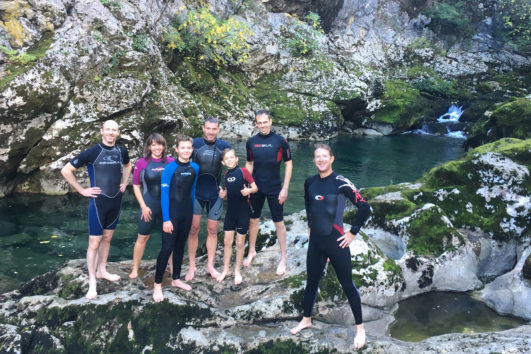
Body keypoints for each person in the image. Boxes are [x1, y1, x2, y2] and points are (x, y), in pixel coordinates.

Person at [289, 144, 370, 349]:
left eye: (325, 156)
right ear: (314, 160)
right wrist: (309, 226)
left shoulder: (340, 182)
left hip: (336, 242)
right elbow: (309, 205)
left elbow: (364, 207)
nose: (321, 160)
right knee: (311, 282)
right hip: (316, 243)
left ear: (332, 159)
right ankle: (306, 319)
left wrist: (352, 233)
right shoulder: (310, 182)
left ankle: (360, 328)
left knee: (348, 285)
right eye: (318, 157)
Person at [61, 120, 132, 300]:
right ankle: (92, 282)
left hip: (115, 201)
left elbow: (128, 165)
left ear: (117, 133)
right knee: (94, 242)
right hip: (98, 203)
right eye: (107, 129)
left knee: (107, 238)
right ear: (102, 131)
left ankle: (102, 270)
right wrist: (82, 190)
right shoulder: (93, 152)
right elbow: (66, 170)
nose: (110, 132)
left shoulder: (121, 151)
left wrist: (124, 183)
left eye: (114, 130)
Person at [244, 109, 292, 275]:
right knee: (253, 220)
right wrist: (248, 186)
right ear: (256, 123)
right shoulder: (251, 142)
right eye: (259, 123)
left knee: (279, 222)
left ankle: (284, 257)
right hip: (256, 187)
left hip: (274, 187)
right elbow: (249, 164)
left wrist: (285, 188)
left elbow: (288, 164)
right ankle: (251, 251)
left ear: (270, 121)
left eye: (265, 122)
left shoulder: (280, 141)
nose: (262, 125)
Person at [153, 135, 199, 302]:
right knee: (167, 248)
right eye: (183, 147)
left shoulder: (195, 167)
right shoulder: (170, 168)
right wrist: (166, 219)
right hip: (171, 214)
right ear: (177, 149)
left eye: (189, 147)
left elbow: (192, 192)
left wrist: (192, 214)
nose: (186, 150)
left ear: (192, 150)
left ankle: (176, 279)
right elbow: (164, 195)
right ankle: (157, 284)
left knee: (180, 246)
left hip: (186, 213)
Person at [186, 117, 231, 280]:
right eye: (208, 128)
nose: (211, 132)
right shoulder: (194, 144)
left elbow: (231, 168)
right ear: (203, 128)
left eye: (214, 129)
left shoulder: (224, 147)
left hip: (215, 193)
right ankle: (192, 267)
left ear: (218, 130)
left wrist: (226, 189)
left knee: (212, 230)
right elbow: (183, 163)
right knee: (193, 229)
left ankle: (210, 266)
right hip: (196, 192)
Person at [129, 134, 174, 279]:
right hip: (148, 205)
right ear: (149, 146)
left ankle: (173, 267)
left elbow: (177, 184)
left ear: (164, 146)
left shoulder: (171, 162)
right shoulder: (142, 163)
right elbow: (136, 186)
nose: (157, 147)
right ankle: (135, 268)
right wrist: (143, 206)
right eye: (153, 144)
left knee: (169, 238)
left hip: (167, 207)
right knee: (142, 237)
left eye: (159, 144)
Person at [217, 148, 258, 285]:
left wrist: (249, 190)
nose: (229, 160)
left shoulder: (243, 171)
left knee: (240, 243)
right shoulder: (226, 175)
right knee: (227, 242)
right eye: (226, 158)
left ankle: (237, 271)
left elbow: (255, 188)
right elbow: (230, 194)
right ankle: (225, 269)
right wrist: (224, 195)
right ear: (223, 162)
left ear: (236, 159)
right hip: (230, 213)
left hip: (243, 212)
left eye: (231, 157)